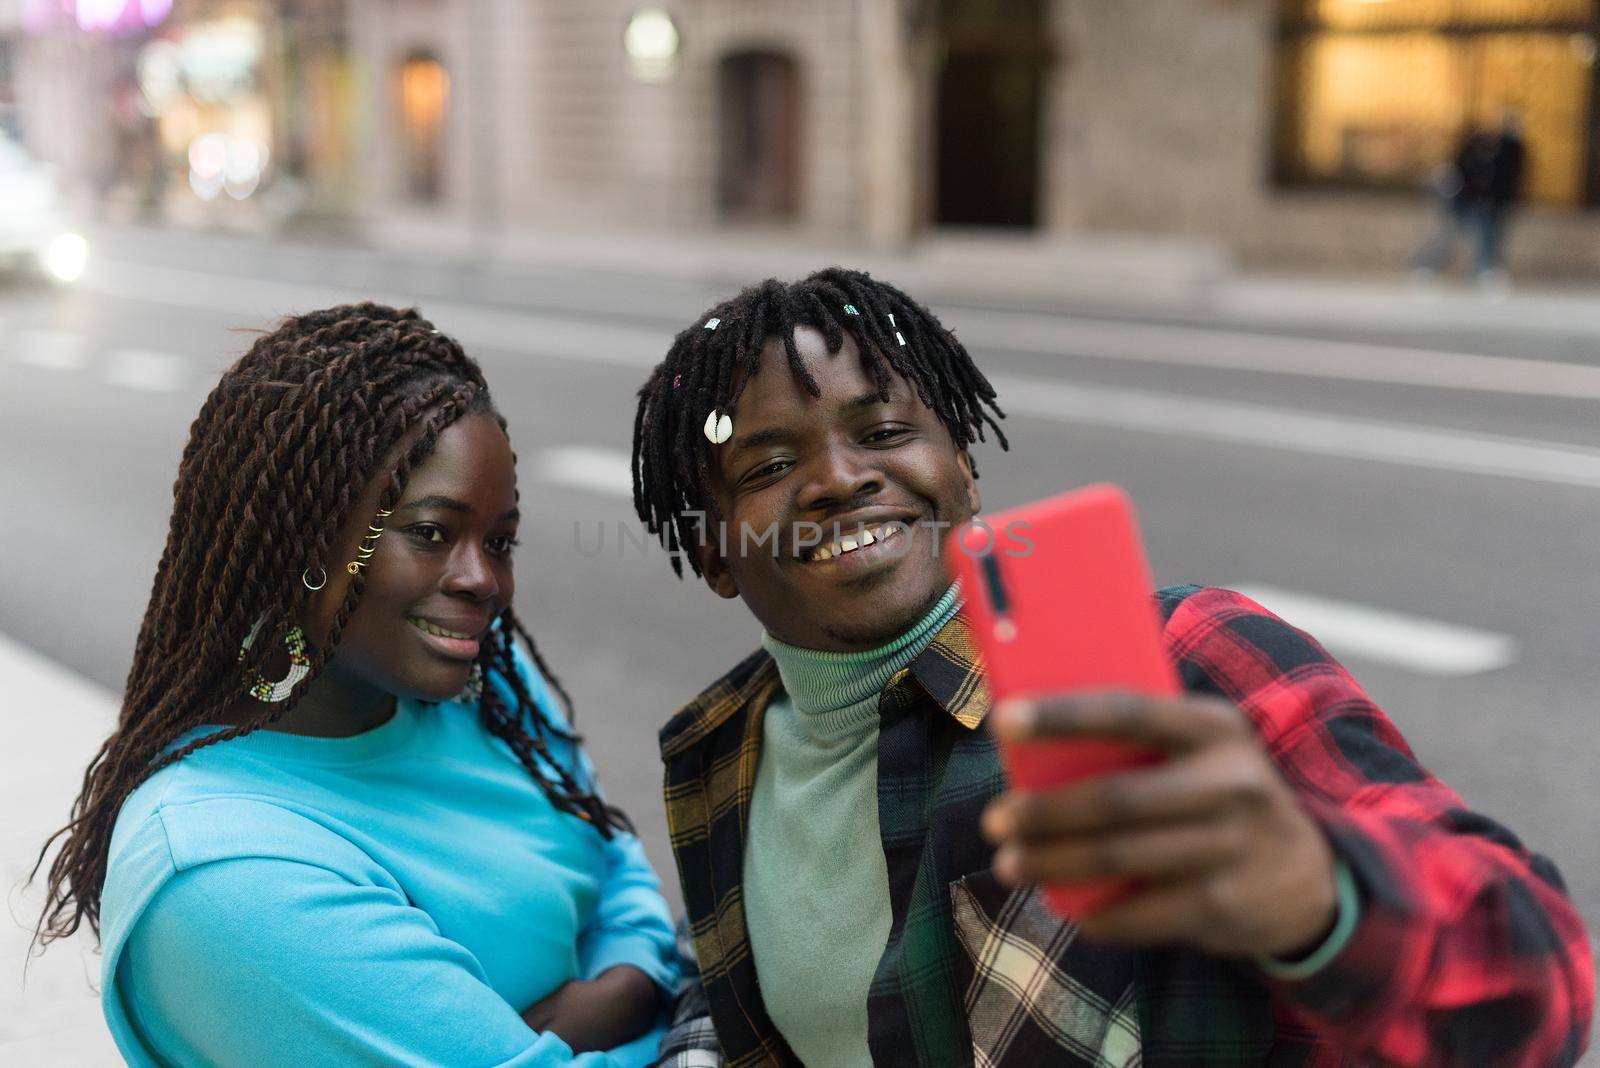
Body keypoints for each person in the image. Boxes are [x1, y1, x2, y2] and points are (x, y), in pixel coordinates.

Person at [628, 270, 1593, 1067]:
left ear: (965, 468)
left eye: (884, 433)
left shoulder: (1180, 660)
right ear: (713, 552)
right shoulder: (725, 757)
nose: (839, 478)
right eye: (766, 468)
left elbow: (1537, 988)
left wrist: (1320, 898)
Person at [33, 304, 678, 1067]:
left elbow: (614, 854)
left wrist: (621, 992)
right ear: (305, 538)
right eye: (430, 533)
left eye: (499, 540)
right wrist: (645, 998)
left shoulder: (485, 676)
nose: (484, 582)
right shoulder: (227, 877)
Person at [1415, 111, 1526, 287]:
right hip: (1464, 201)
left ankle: (1486, 271)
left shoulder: (1507, 150)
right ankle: (1426, 268)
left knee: (1488, 237)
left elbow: (1511, 175)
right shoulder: (1469, 151)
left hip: (1488, 202)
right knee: (1449, 236)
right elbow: (1459, 177)